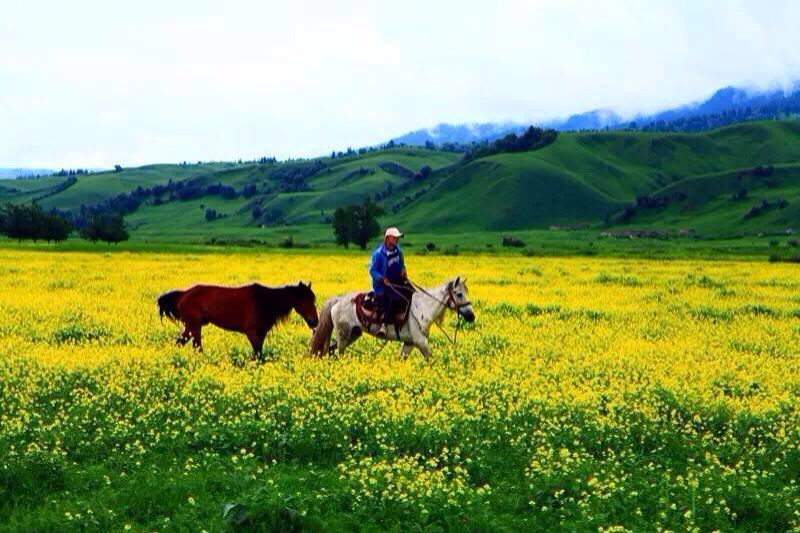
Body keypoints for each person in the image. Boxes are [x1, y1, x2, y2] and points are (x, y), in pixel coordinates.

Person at [369, 226, 409, 337]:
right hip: (383, 285)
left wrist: (403, 271)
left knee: (410, 293)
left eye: (398, 238)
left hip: (397, 282)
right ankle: (384, 324)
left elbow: (402, 265)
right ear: (388, 238)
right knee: (391, 298)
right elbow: (372, 271)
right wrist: (382, 279)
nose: (397, 240)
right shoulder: (378, 254)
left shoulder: (399, 251)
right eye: (395, 237)